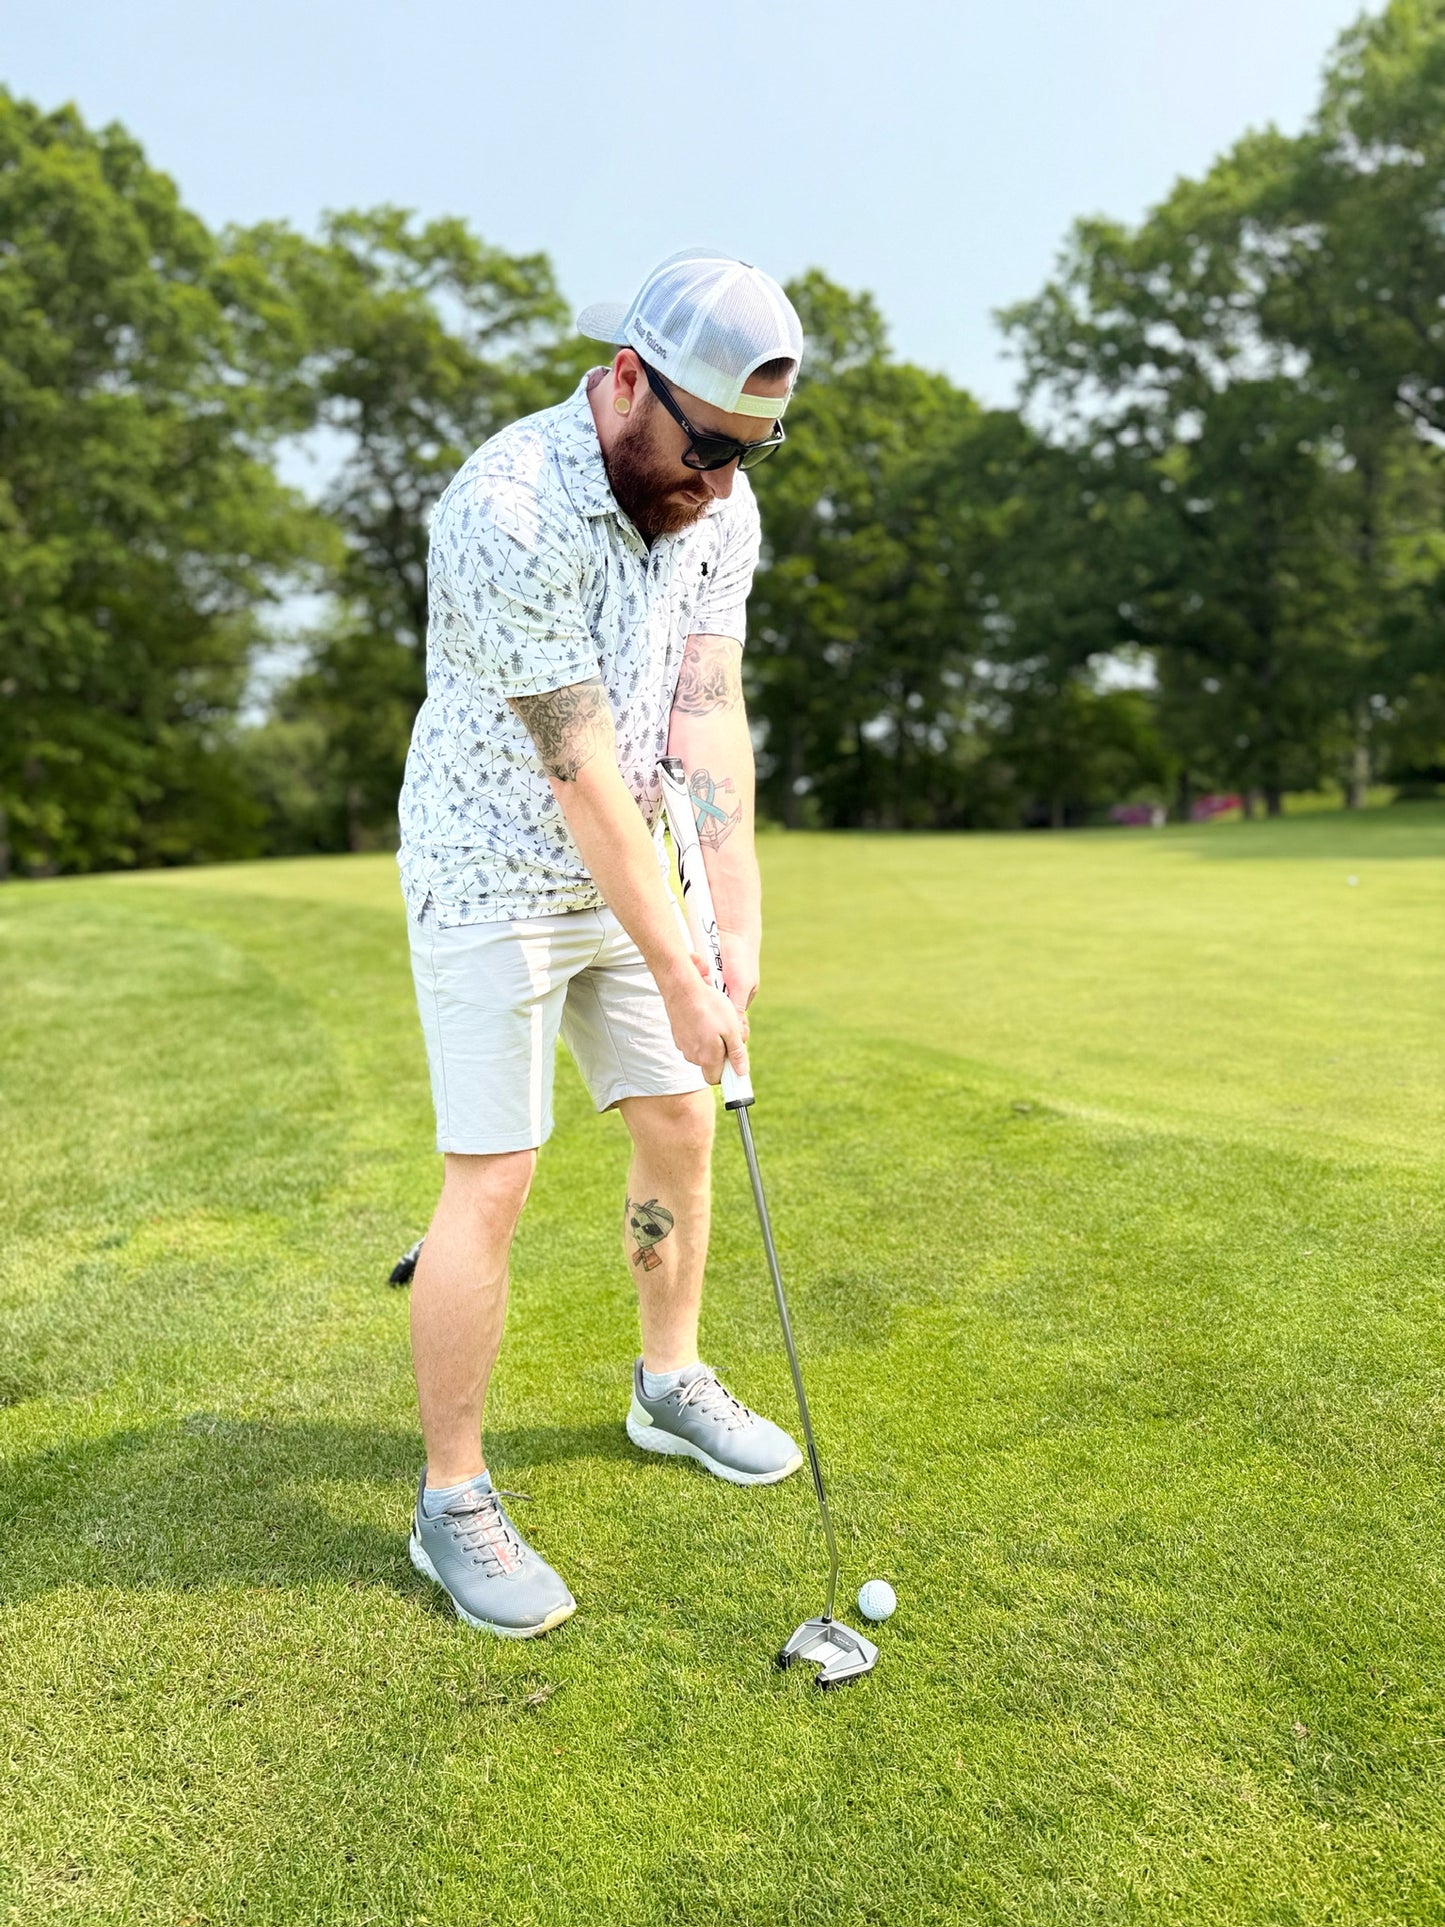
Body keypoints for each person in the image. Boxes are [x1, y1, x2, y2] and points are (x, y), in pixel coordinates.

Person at [395, 249, 807, 1637]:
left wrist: (733, 921)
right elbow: (575, 773)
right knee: (495, 1179)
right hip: (487, 867)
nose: (723, 484)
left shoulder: (717, 516)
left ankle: (666, 1382)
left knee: (680, 1122)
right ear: (628, 380)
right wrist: (683, 968)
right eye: (706, 447)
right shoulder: (506, 507)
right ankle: (452, 1501)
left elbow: (703, 714)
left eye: (753, 455)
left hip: (627, 863)